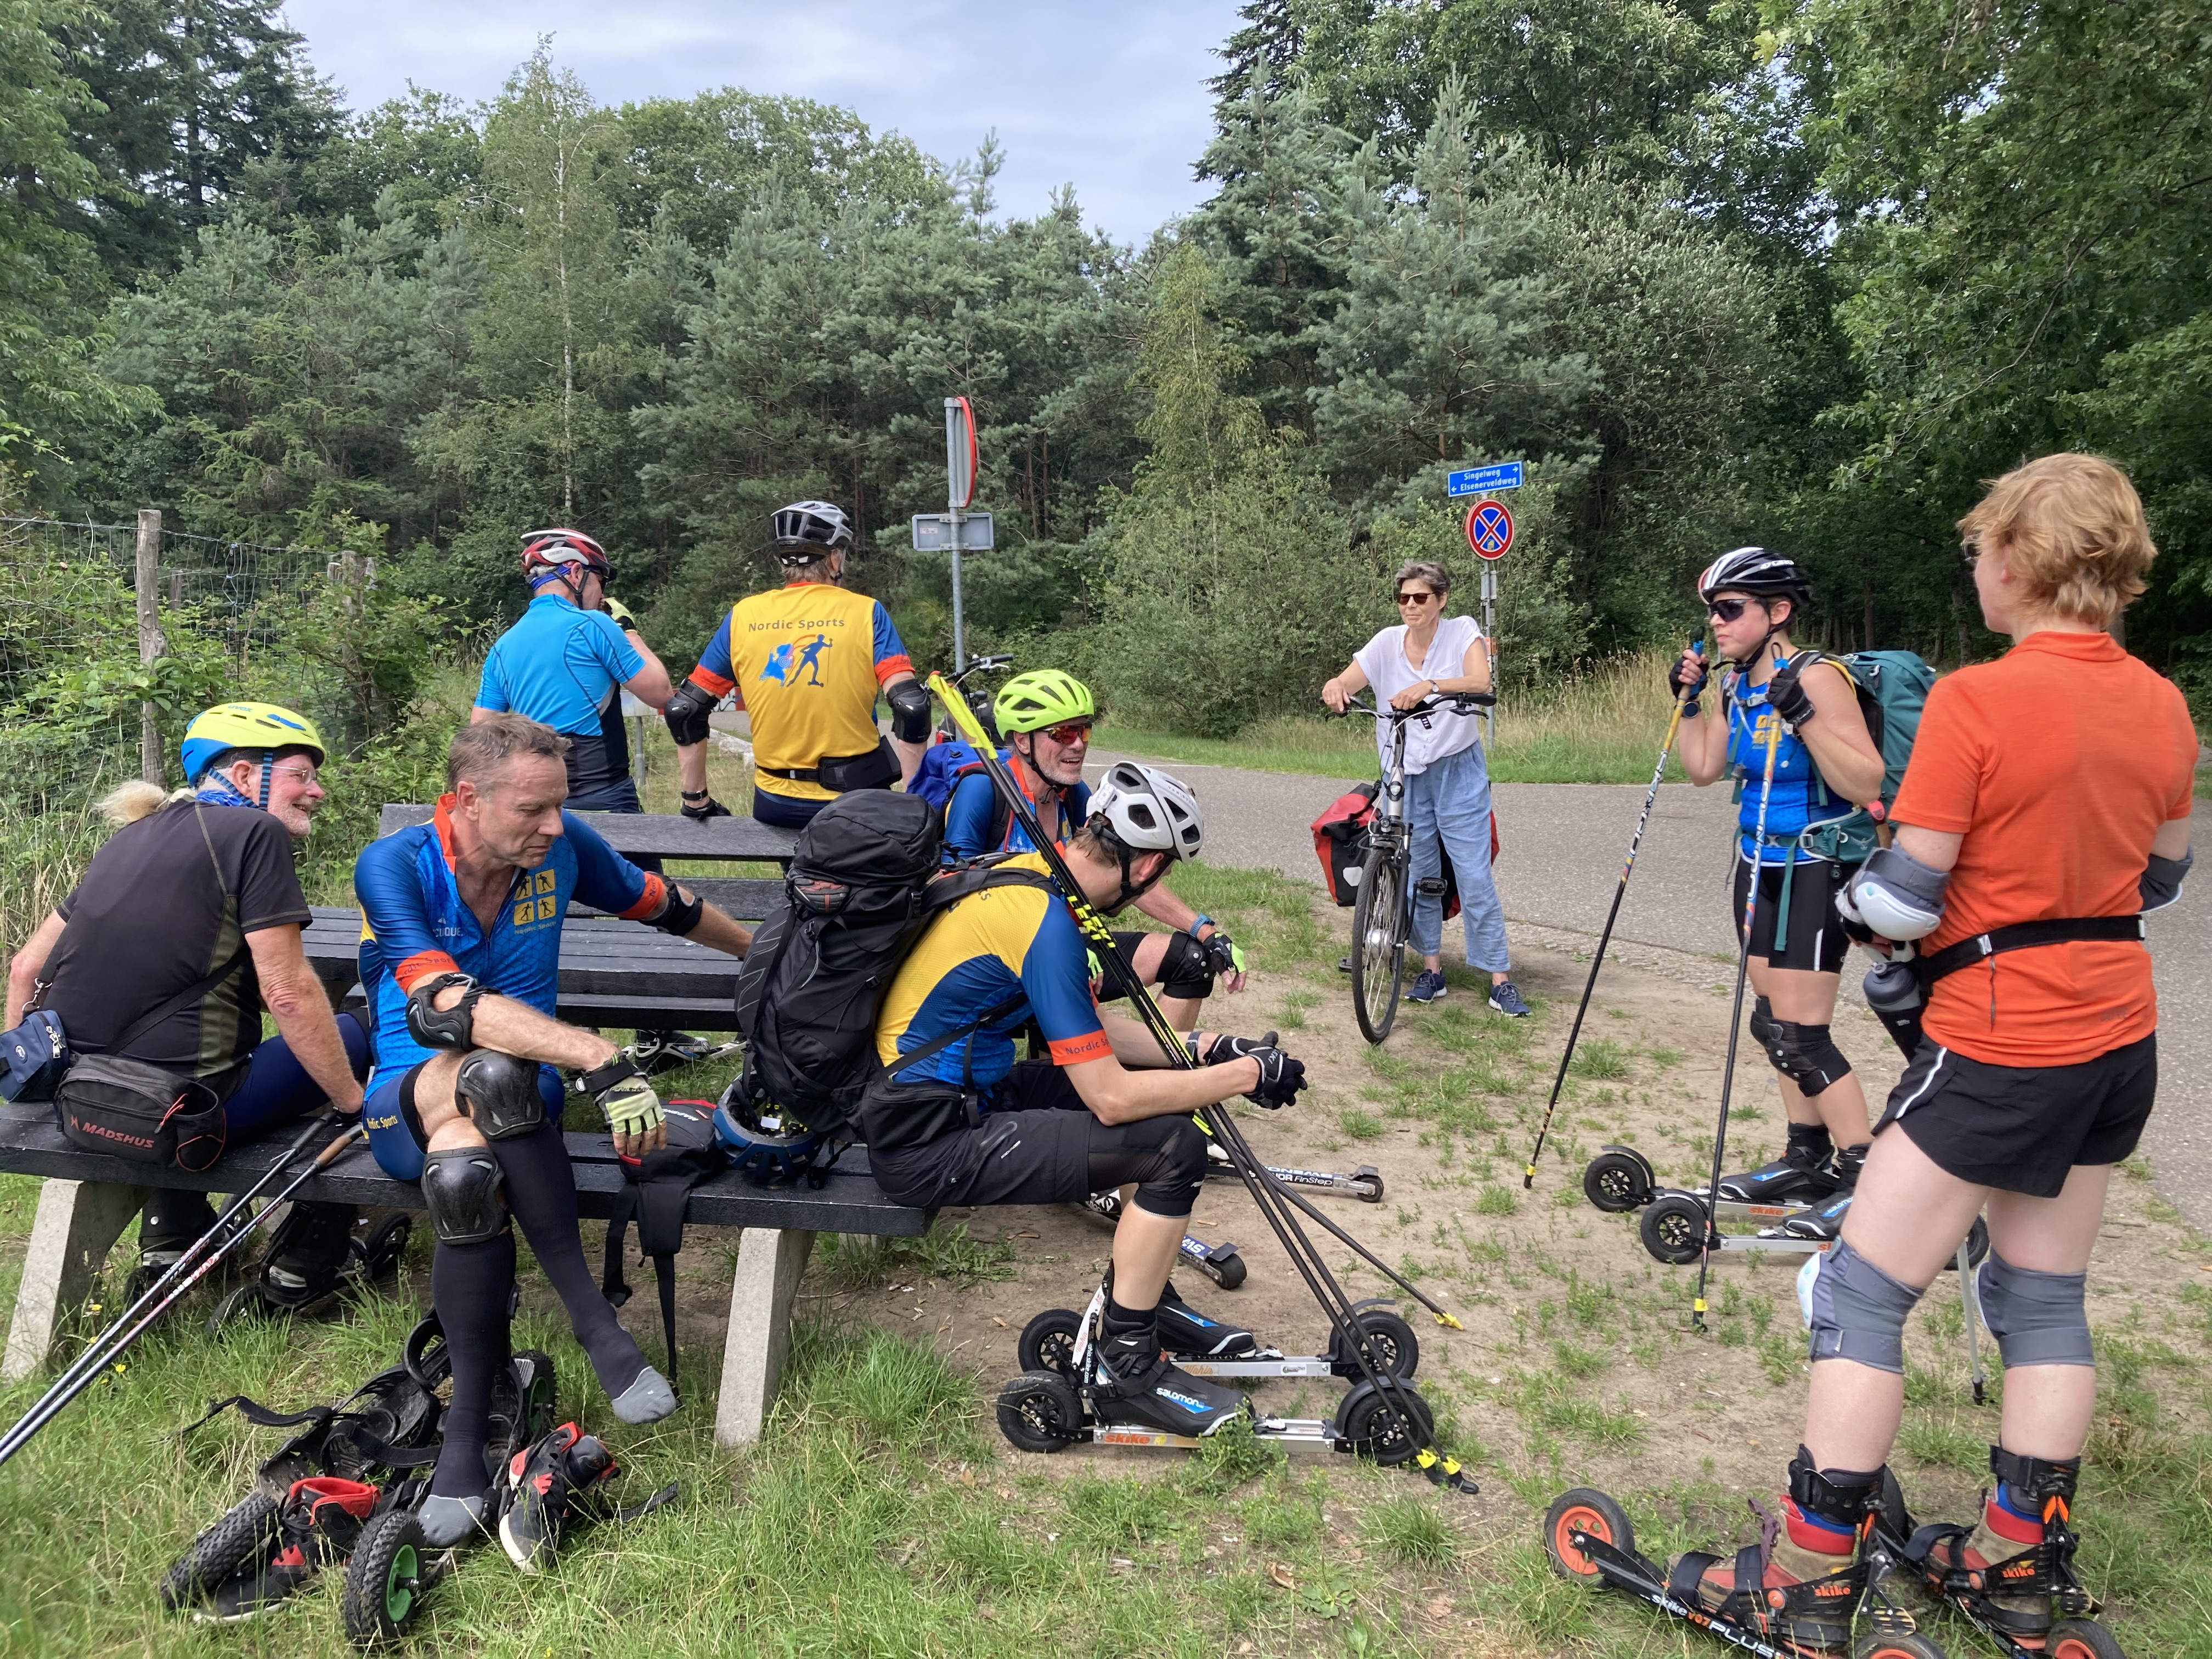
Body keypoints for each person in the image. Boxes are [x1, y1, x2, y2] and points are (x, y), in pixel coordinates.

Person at [1664, 455, 2194, 1654]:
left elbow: (1904, 893)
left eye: (1980, 549)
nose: (1976, 568)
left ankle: (1806, 1579)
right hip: (2119, 1033)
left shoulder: (1980, 701)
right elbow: (2160, 877)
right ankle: (2019, 1553)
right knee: (2042, 1296)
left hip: (2003, 1036)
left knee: (1860, 1290)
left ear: (2020, 558)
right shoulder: (2163, 704)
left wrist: (1869, 909)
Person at [352, 715, 756, 1545]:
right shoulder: (395, 866)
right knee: (482, 1074)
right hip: (408, 1089)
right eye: (533, 809)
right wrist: (594, 1055)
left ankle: (464, 1447)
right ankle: (590, 1319)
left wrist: (763, 958)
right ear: (469, 798)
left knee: (471, 1154)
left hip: (509, 1101)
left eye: (559, 806)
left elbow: (664, 904)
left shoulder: (560, 844)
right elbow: (442, 1008)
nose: (552, 825)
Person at [866, 763, 1309, 1434]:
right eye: (1163, 875)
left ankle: (1147, 1303)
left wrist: (1216, 1049)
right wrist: (1245, 1078)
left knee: (1164, 1120)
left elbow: (1090, 1032)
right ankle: (1126, 1367)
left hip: (955, 1096)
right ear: (1148, 864)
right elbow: (1108, 1096)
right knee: (1171, 1145)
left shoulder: (1029, 877)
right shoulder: (1046, 924)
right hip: (929, 1138)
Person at [4, 703, 370, 1297]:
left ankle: (177, 1232)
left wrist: (35, 1083)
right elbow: (288, 993)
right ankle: (311, 1245)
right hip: (183, 1112)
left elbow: (25, 967)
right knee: (361, 1034)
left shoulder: (131, 836)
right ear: (249, 776)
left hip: (83, 1101)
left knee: (231, 1059)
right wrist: (356, 1105)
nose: (317, 791)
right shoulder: (255, 832)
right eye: (302, 775)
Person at [1672, 548, 1888, 1237]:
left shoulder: (1817, 678)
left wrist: (1805, 716)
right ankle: (1807, 1155)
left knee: (1802, 1034)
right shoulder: (1739, 683)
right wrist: (1689, 702)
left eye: (1731, 608)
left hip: (1815, 866)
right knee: (1773, 1024)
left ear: (1779, 613)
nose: (1718, 621)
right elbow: (1706, 769)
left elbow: (1864, 782)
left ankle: (1865, 1175)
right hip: (1756, 862)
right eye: (1713, 609)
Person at [940, 669, 1250, 1030]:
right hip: (995, 963)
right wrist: (1060, 950)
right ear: (1023, 741)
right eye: (1063, 733)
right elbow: (951, 895)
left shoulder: (1071, 795)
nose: (1079, 744)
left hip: (1063, 944)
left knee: (1191, 960)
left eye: (1084, 730)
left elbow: (1126, 871)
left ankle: (1159, 1077)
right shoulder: (983, 791)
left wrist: (1203, 931)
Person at [1320, 560, 1526, 1015]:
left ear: (1441, 600)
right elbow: (1348, 679)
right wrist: (1335, 687)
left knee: (1473, 874)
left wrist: (1428, 686)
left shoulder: (1461, 632)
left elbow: (1480, 681)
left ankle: (1499, 977)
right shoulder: (1385, 643)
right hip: (1405, 771)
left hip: (1457, 769)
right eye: (1404, 598)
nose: (1411, 606)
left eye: (1421, 598)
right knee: (1420, 877)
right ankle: (1431, 970)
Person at [663, 501, 932, 830]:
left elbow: (685, 710)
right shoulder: (866, 612)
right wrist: (914, 804)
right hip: (857, 803)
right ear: (834, 557)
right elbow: (911, 706)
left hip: (776, 803)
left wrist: (696, 801)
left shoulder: (744, 615)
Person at [473, 529, 674, 813]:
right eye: (600, 581)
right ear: (577, 572)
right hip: (604, 799)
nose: (602, 594)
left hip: (539, 806)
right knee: (631, 861)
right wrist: (629, 630)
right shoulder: (594, 625)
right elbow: (661, 694)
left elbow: (480, 734)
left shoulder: (502, 647)